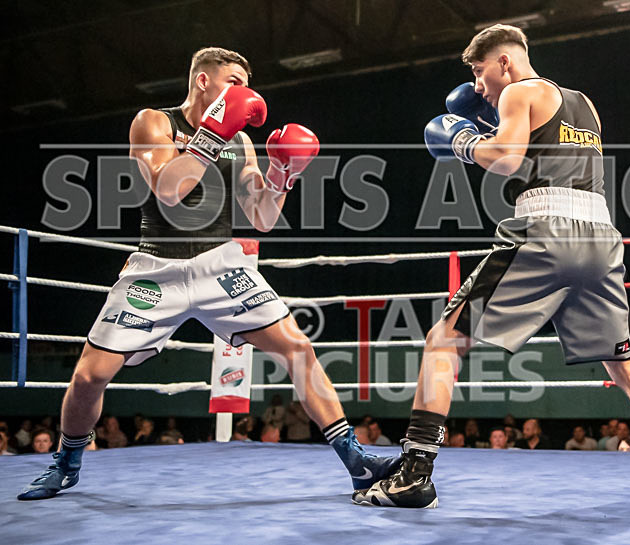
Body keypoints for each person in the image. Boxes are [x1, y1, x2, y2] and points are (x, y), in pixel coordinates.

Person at [354, 24, 630, 509]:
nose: (478, 86)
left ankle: (414, 475)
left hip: (545, 231)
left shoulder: (518, 91)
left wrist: (462, 141)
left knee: (444, 339)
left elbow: (507, 159)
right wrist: (490, 129)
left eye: (479, 72)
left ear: (504, 61)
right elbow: (546, 157)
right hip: (601, 239)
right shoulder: (583, 104)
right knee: (625, 364)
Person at [17, 47, 398, 501]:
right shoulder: (154, 122)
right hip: (156, 268)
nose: (244, 93)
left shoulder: (241, 141)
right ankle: (66, 463)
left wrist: (283, 174)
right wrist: (212, 133)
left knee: (298, 348)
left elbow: (261, 218)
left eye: (246, 86)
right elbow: (169, 189)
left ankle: (355, 460)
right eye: (234, 82)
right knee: (88, 376)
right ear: (203, 81)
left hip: (220, 264)